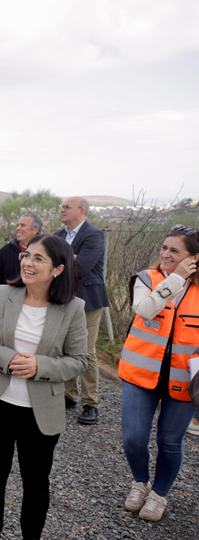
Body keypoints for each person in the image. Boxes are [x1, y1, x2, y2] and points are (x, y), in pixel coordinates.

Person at [0, 235, 89, 540]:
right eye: (26, 255)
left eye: (38, 258)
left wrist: (41, 366)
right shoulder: (2, 295)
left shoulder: (73, 308)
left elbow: (79, 360)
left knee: (36, 483)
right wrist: (9, 359)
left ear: (58, 269)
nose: (27, 263)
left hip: (41, 412)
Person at [118, 225, 199, 521]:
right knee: (134, 438)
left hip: (185, 380)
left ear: (194, 258)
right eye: (164, 248)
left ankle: (159, 495)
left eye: (174, 251)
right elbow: (145, 310)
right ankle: (140, 482)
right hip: (140, 373)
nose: (165, 254)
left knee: (169, 440)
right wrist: (176, 278)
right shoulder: (146, 278)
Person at [54, 197, 110, 425]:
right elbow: (50, 263)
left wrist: (64, 259)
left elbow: (83, 267)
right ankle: (69, 395)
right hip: (62, 298)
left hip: (88, 300)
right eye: (62, 207)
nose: (62, 210)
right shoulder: (58, 236)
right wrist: (70, 258)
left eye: (67, 207)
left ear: (82, 211)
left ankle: (90, 403)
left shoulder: (94, 234)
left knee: (85, 352)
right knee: (63, 348)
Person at [0, 213, 43, 295]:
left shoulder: (45, 252)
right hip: (7, 302)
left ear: (35, 229)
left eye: (23, 225)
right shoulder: (6, 251)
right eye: (18, 225)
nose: (18, 228)